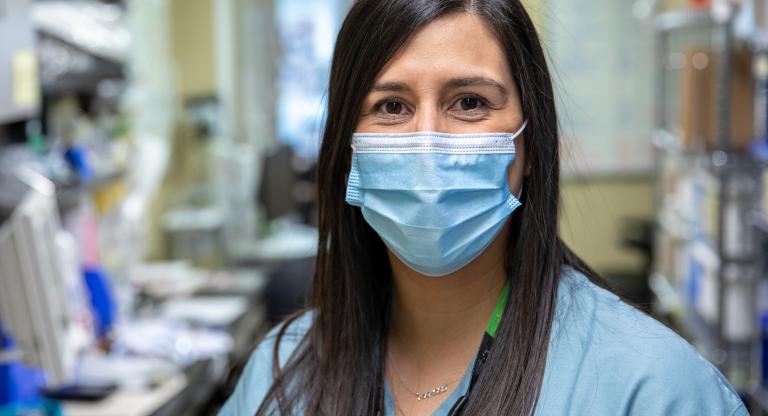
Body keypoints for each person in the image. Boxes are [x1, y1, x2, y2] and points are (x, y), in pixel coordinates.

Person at [220, 0, 748, 415]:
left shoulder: (651, 386)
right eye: (391, 106)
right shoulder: (283, 370)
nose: (428, 140)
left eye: (469, 102)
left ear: (531, 144)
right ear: (346, 150)